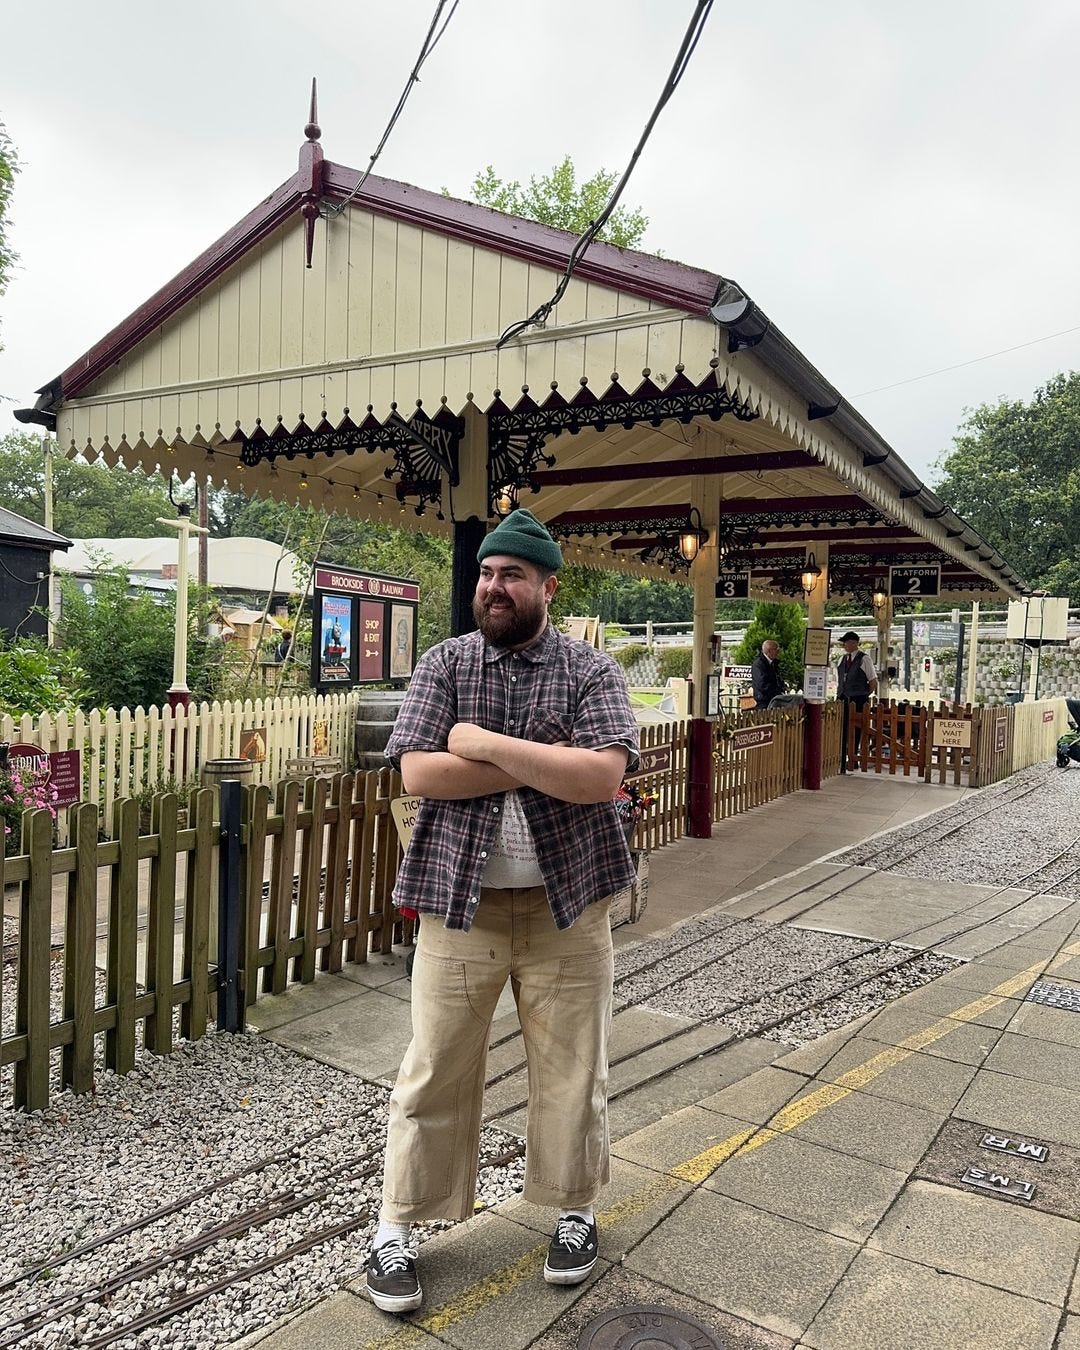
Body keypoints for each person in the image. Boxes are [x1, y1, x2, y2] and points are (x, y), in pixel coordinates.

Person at [365, 508, 639, 1314]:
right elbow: (419, 773)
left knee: (574, 1068)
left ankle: (576, 1210)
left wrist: (481, 743)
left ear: (547, 587)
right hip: (462, 904)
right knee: (433, 1067)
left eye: (511, 575)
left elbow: (600, 780)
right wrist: (545, 761)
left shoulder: (592, 672)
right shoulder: (445, 662)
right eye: (487, 574)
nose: (494, 587)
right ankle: (395, 1228)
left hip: (569, 908)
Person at [836, 631, 878, 709]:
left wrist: (864, 694)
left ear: (854, 643)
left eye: (846, 642)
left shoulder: (864, 659)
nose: (844, 645)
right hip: (842, 698)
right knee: (842, 720)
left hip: (859, 700)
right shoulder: (842, 659)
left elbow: (873, 681)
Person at [750, 639, 785, 709]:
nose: (778, 652)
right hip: (764, 700)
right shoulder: (759, 664)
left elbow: (778, 678)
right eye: (776, 650)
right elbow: (761, 684)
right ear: (769, 651)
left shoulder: (774, 663)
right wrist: (775, 692)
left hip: (774, 699)